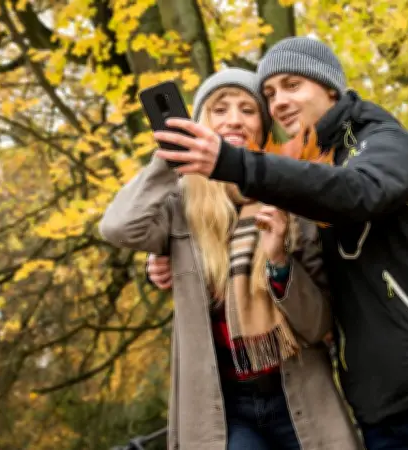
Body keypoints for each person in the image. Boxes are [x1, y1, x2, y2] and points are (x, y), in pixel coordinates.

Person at [150, 37, 408, 450]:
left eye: (292, 84)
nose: (279, 101)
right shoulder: (306, 165)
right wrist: (161, 260)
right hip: (376, 410)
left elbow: (356, 192)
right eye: (270, 93)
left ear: (329, 87)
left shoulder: (383, 139)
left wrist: (233, 161)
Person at [99, 68, 361, 450]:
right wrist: (171, 157)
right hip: (224, 410)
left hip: (297, 394)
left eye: (247, 110)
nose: (234, 119)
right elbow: (118, 228)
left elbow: (318, 324)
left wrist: (279, 262)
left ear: (263, 125)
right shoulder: (180, 207)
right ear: (202, 122)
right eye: (220, 109)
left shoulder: (291, 198)